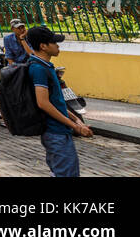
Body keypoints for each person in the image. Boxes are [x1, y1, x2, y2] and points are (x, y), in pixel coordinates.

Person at [26, 25, 93, 177]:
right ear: (43, 46)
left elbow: (57, 103)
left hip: (60, 132)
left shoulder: (46, 66)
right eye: (54, 42)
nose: (57, 45)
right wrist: (74, 127)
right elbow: (43, 103)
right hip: (55, 133)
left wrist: (77, 120)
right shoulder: (38, 69)